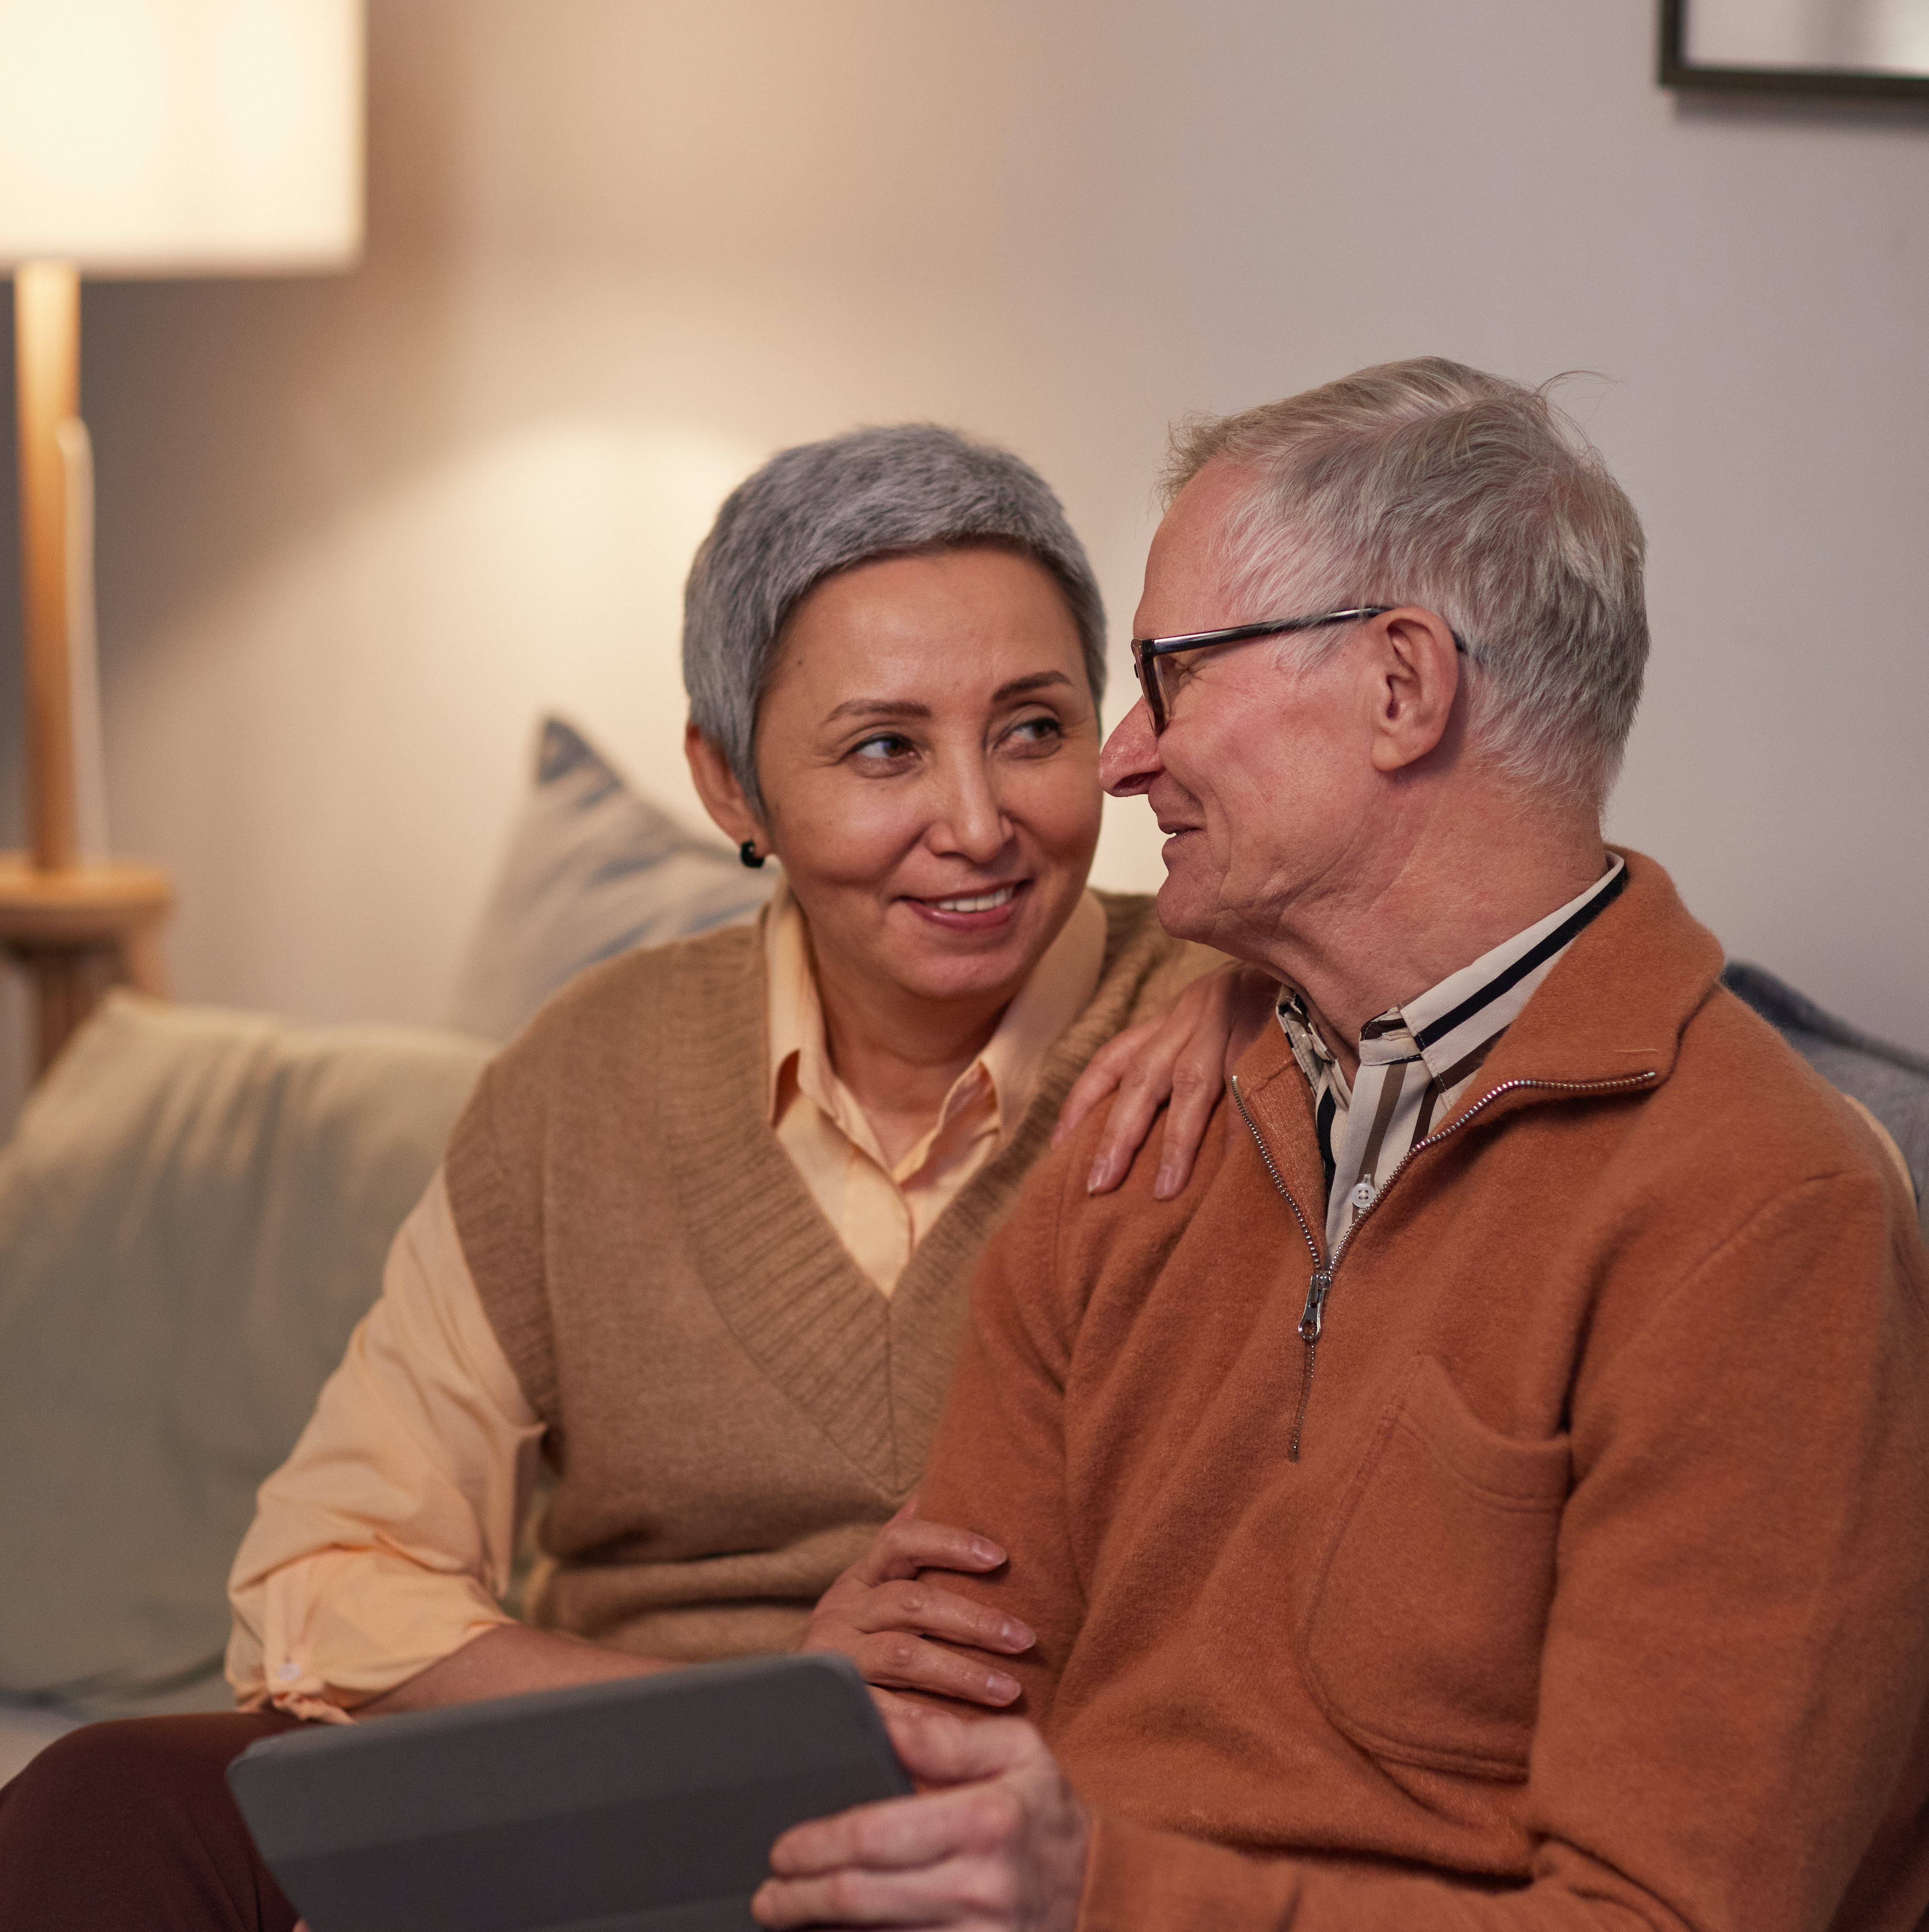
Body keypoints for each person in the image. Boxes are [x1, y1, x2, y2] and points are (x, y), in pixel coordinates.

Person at [0, 424, 1265, 1929]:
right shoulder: (592, 1071)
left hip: (1027, 1838)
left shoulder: (1238, 1025)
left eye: (1035, 729)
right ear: (732, 790)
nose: (980, 824)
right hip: (628, 1805)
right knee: (103, 1804)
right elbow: (330, 1576)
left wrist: (1265, 972)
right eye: (884, 749)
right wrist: (762, 1710)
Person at [761, 362, 1929, 1932]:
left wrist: (1100, 1895)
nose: (1119, 755)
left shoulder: (1763, 1213)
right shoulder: (1143, 1125)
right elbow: (950, 1740)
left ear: (1402, 686)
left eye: (1171, 677)